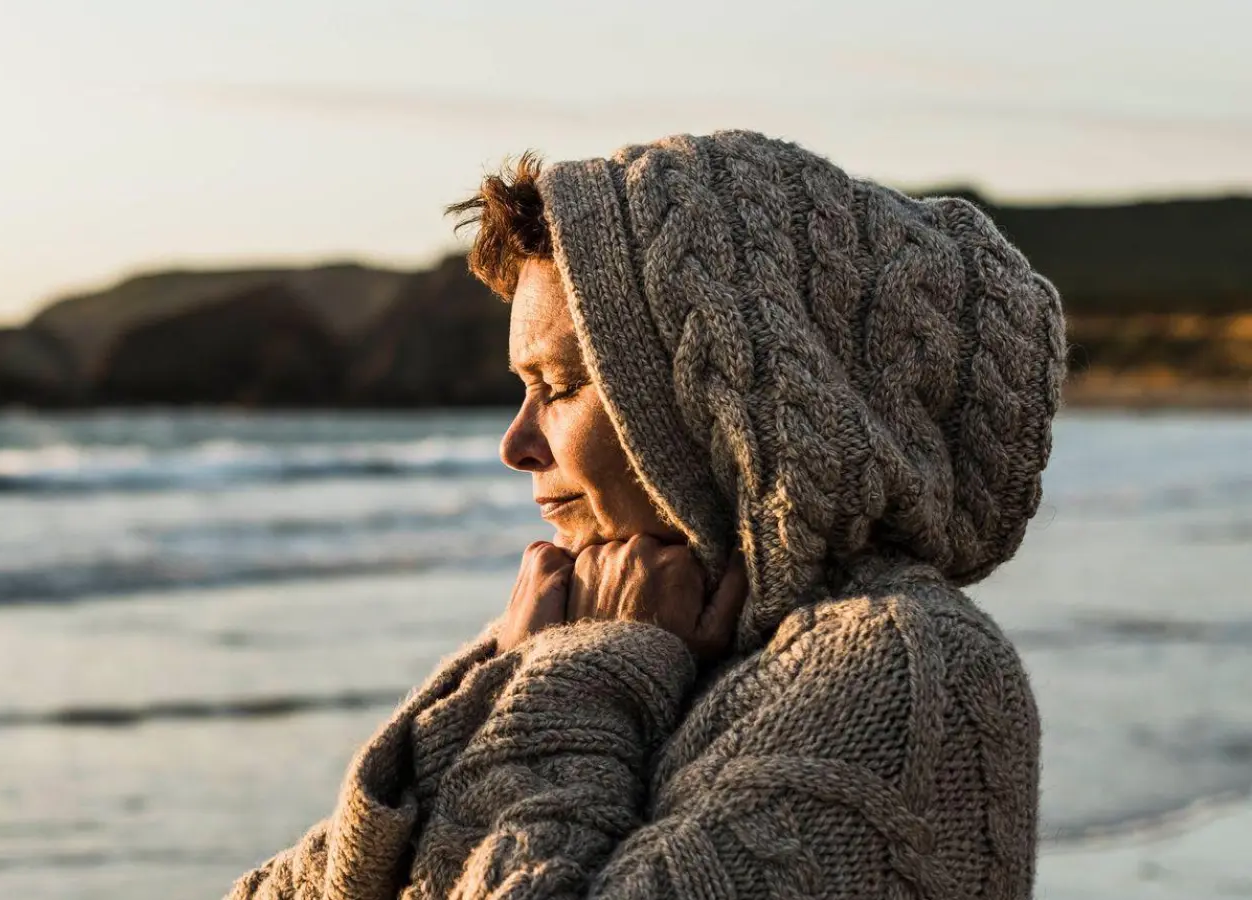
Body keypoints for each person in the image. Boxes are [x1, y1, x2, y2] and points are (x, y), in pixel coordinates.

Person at [228, 129, 1065, 899]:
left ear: (720, 406)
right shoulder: (621, 621)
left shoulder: (907, 672)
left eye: (559, 387)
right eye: (522, 391)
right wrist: (521, 677)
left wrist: (577, 674)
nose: (516, 445)